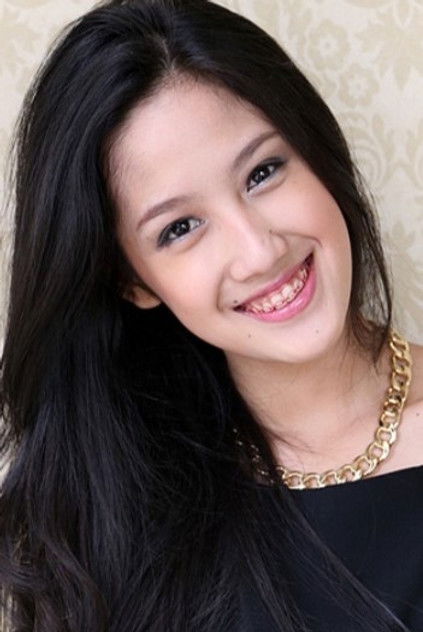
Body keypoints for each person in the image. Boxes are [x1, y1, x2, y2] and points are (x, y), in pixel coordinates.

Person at [0, 0, 422, 630]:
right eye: (181, 228)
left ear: (317, 152)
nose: (259, 252)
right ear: (131, 281)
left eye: (263, 172)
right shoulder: (106, 516)